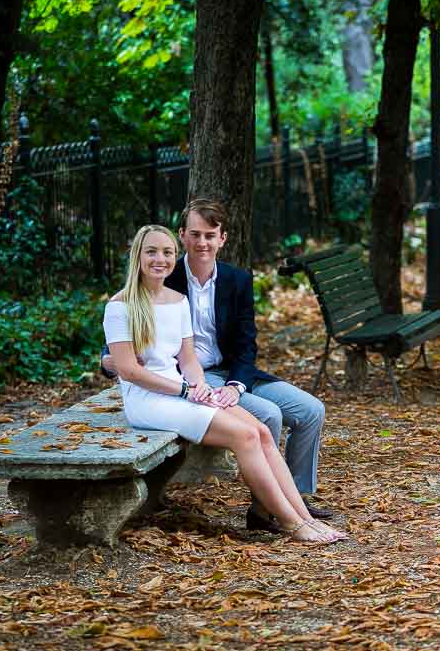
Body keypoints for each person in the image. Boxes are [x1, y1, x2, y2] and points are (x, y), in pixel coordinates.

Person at [102, 224, 346, 544]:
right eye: (151, 251)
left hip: (182, 389)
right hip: (148, 400)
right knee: (244, 435)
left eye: (166, 252)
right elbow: (129, 371)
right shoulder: (120, 306)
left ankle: (302, 514)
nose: (159, 259)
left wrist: (200, 386)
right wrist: (186, 391)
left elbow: (188, 359)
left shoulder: (177, 300)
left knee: (260, 430)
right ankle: (292, 525)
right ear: (138, 256)